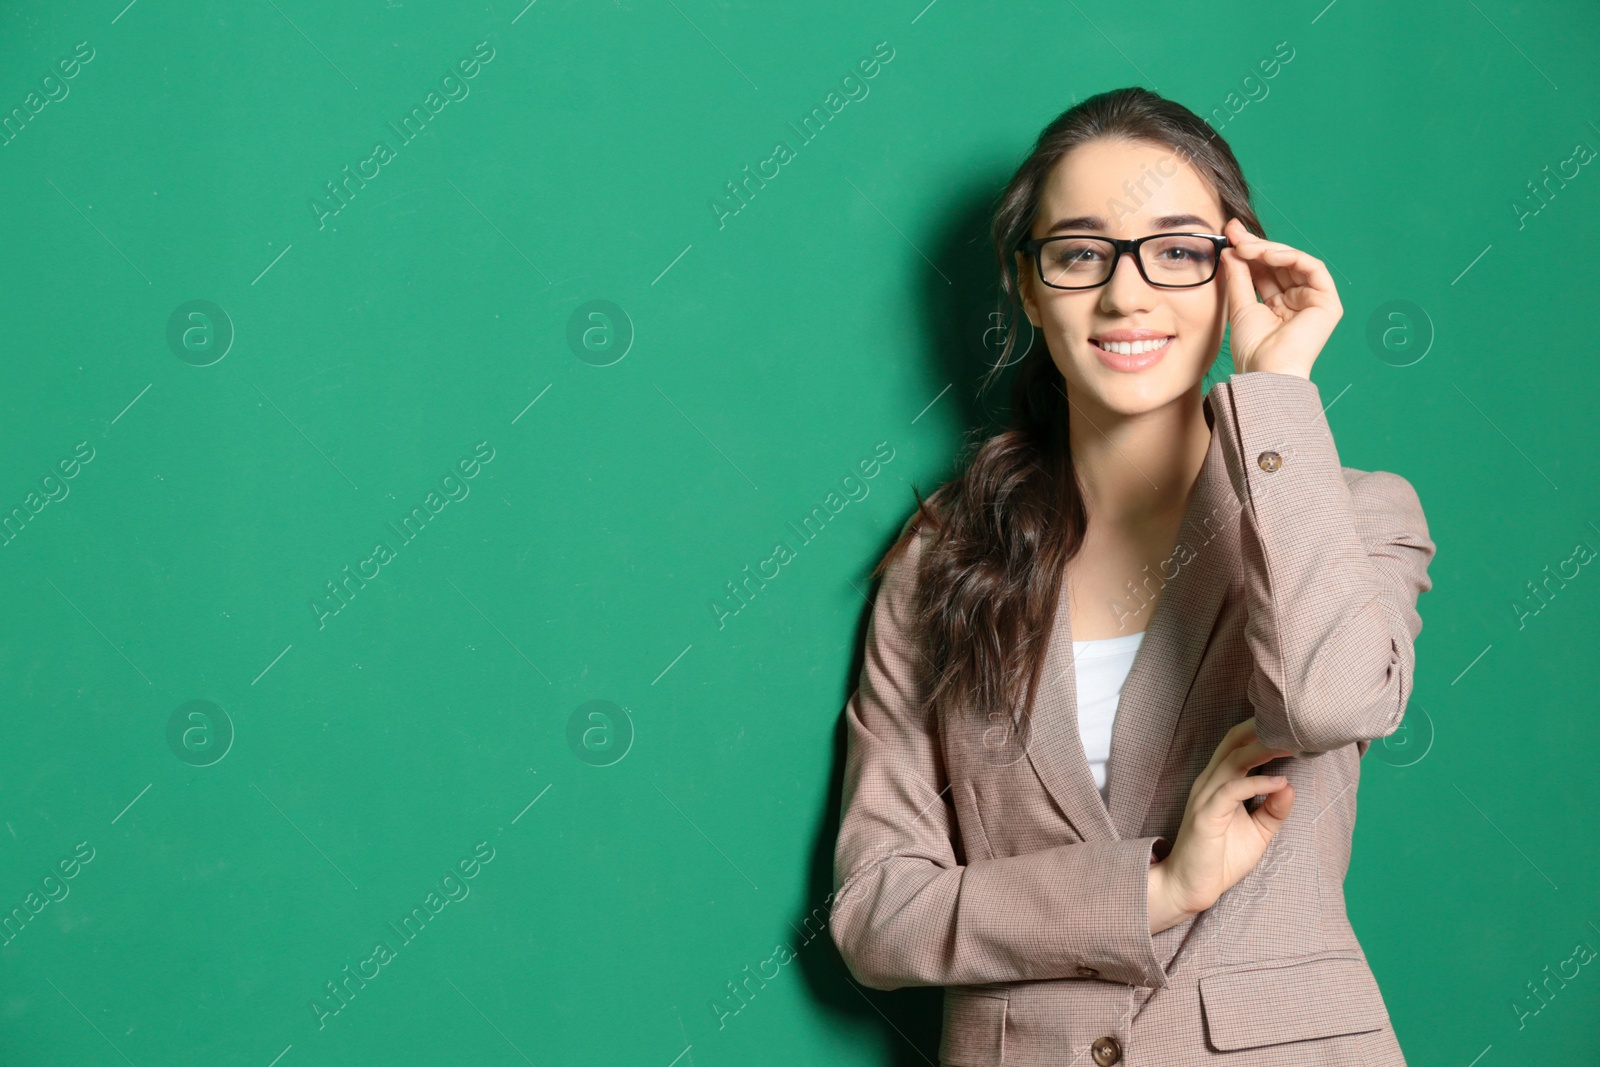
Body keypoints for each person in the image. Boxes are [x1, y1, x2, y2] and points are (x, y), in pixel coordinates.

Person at [828, 86, 1434, 1066]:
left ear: (1234, 271)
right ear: (1027, 289)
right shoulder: (939, 559)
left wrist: (1273, 390)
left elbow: (1328, 703)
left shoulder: (1354, 511)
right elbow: (875, 909)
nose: (1126, 294)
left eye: (1177, 250)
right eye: (1078, 253)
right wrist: (1155, 887)